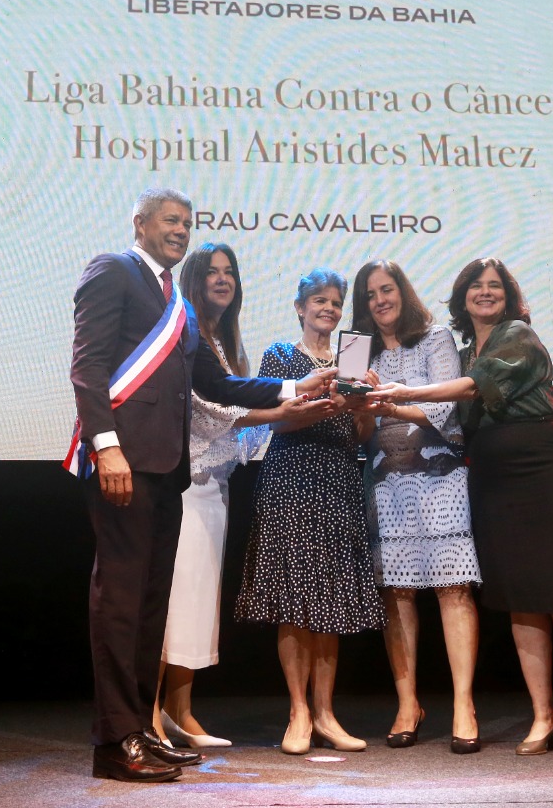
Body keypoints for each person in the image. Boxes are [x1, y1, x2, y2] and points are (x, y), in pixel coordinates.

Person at [70, 188, 335, 782]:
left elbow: (218, 384)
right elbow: (87, 367)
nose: (181, 231)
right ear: (139, 222)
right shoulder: (113, 271)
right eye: (170, 220)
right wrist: (106, 446)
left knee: (149, 607)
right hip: (123, 463)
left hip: (169, 470)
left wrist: (295, 388)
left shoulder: (179, 305)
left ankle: (140, 730)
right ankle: (113, 741)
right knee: (120, 604)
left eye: (187, 223)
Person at [369, 258, 553, 760]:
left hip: (543, 468)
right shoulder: (462, 353)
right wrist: (388, 407)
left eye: (495, 286)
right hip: (492, 476)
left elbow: (470, 389)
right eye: (476, 286)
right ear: (462, 298)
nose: (486, 293)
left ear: (509, 295)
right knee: (521, 596)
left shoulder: (517, 335)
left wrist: (403, 392)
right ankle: (544, 716)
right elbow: (447, 409)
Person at [154, 243, 307, 750]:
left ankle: (180, 712)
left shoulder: (225, 340)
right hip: (185, 484)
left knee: (197, 604)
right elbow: (206, 408)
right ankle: (149, 712)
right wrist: (282, 408)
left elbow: (237, 421)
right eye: (213, 272)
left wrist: (293, 413)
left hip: (214, 487)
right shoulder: (186, 332)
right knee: (172, 601)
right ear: (193, 280)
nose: (223, 280)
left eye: (230, 273)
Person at [234, 267, 385, 755]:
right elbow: (277, 424)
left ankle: (325, 713)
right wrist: (320, 400)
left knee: (331, 598)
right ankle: (298, 711)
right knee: (294, 598)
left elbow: (361, 436)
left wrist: (364, 407)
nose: (329, 309)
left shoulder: (352, 362)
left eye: (336, 302)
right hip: (291, 478)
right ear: (300, 307)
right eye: (319, 300)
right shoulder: (281, 355)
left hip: (338, 479)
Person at [350, 260, 482, 753]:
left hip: (439, 478)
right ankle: (408, 704)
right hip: (386, 483)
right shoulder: (355, 353)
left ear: (403, 292)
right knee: (397, 594)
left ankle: (464, 704)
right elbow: (359, 433)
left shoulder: (436, 339)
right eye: (369, 295)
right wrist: (364, 409)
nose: (379, 300)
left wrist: (389, 404)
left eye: (386, 290)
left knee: (453, 589)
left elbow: (444, 408)